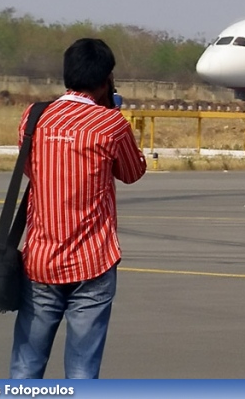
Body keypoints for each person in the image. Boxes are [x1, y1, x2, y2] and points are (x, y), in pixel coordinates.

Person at [10, 38, 147, 379]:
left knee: (26, 366)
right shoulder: (110, 124)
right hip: (93, 260)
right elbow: (133, 172)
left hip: (40, 260)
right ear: (107, 79)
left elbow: (31, 170)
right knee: (83, 370)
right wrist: (112, 112)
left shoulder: (35, 117)